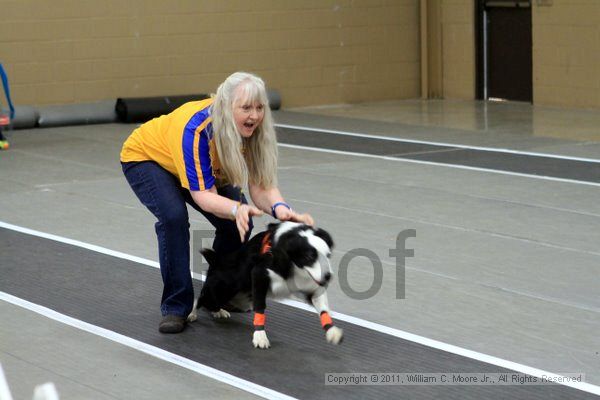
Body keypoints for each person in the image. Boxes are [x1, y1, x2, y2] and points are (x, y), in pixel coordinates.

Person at [120, 72, 314, 333]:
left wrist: (283, 211)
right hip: (149, 159)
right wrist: (237, 208)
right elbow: (203, 196)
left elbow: (262, 185)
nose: (254, 116)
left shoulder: (255, 131)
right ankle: (176, 306)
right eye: (246, 108)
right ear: (226, 106)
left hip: (203, 168)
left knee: (236, 226)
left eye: (259, 108)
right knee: (174, 218)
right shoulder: (197, 130)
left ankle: (218, 293)